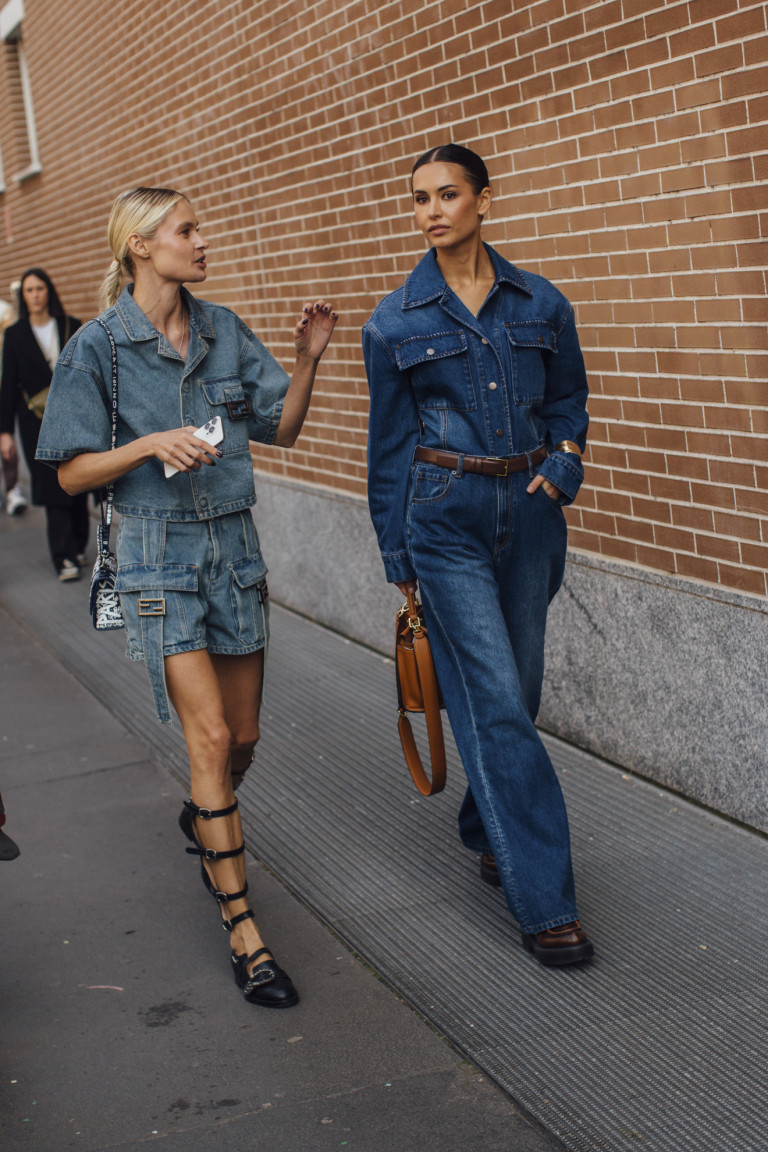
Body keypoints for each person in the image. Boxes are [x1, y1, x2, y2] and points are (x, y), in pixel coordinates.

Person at [36, 187, 338, 1006]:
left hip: (232, 552)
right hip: (152, 557)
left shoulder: (224, 331)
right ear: (141, 246)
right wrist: (144, 443)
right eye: (186, 229)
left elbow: (283, 428)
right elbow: (65, 470)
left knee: (241, 738)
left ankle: (206, 815)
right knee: (206, 736)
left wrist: (307, 359)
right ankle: (246, 933)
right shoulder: (97, 348)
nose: (202, 241)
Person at [363, 144, 593, 967]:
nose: (431, 210)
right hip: (444, 515)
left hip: (530, 511)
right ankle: (546, 903)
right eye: (419, 197)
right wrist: (397, 550)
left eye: (448, 194)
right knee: (494, 700)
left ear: (484, 201)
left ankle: (487, 816)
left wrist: (564, 466)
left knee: (518, 687)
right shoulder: (393, 322)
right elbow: (388, 448)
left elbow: (568, 398)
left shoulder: (542, 302)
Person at [0, 271, 84, 575]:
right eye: (29, 290)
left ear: (49, 291)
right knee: (51, 486)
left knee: (78, 481)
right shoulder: (15, 334)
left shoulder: (70, 326)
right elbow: (8, 383)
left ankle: (77, 545)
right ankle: (63, 556)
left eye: (40, 288)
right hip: (34, 421)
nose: (35, 294)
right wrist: (4, 431)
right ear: (23, 296)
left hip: (74, 416)